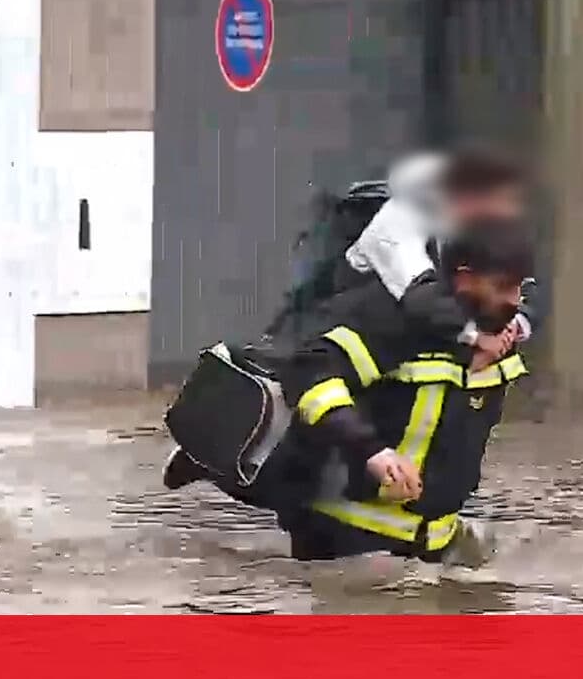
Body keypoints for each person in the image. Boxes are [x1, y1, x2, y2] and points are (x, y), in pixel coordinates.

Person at [164, 219, 534, 563]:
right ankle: (216, 460)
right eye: (504, 288)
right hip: (347, 539)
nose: (515, 302)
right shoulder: (392, 319)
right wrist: (372, 452)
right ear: (465, 281)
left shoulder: (500, 328)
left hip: (429, 545)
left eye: (520, 289)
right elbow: (312, 375)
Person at [339, 146, 544, 369]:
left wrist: (514, 324)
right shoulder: (399, 220)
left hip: (434, 324)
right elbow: (421, 297)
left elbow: (528, 285)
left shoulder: (478, 229)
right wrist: (479, 337)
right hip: (363, 318)